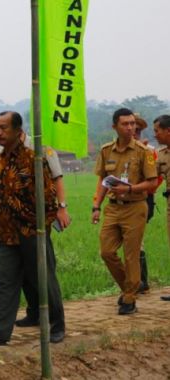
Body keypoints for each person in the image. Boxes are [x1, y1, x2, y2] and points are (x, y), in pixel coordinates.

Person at [0, 111, 65, 346]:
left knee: (43, 279)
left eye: (4, 128)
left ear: (18, 131)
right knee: (4, 282)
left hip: (32, 233)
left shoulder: (34, 159)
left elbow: (49, 200)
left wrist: (39, 228)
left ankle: (57, 325)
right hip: (6, 234)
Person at [91, 108, 158, 315]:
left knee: (131, 255)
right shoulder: (106, 151)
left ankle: (129, 298)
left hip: (135, 207)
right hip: (113, 208)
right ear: (114, 127)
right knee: (107, 252)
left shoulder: (143, 152)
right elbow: (102, 181)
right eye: (125, 124)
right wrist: (96, 206)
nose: (130, 128)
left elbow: (152, 182)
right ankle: (129, 288)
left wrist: (129, 188)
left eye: (132, 124)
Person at [15, 132, 71, 327]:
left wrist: (62, 208)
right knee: (23, 267)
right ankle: (34, 312)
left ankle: (56, 322)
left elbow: (58, 178)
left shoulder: (43, 148)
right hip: (17, 218)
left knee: (43, 267)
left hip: (39, 217)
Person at [133, 114, 162, 293]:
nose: (134, 132)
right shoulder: (116, 149)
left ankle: (141, 281)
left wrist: (142, 189)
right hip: (123, 200)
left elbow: (157, 178)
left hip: (144, 199)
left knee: (137, 240)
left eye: (137, 129)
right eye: (130, 128)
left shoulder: (150, 151)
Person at [153, 114, 170, 302]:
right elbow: (151, 177)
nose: (155, 135)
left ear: (168, 131)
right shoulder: (162, 155)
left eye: (157, 131)